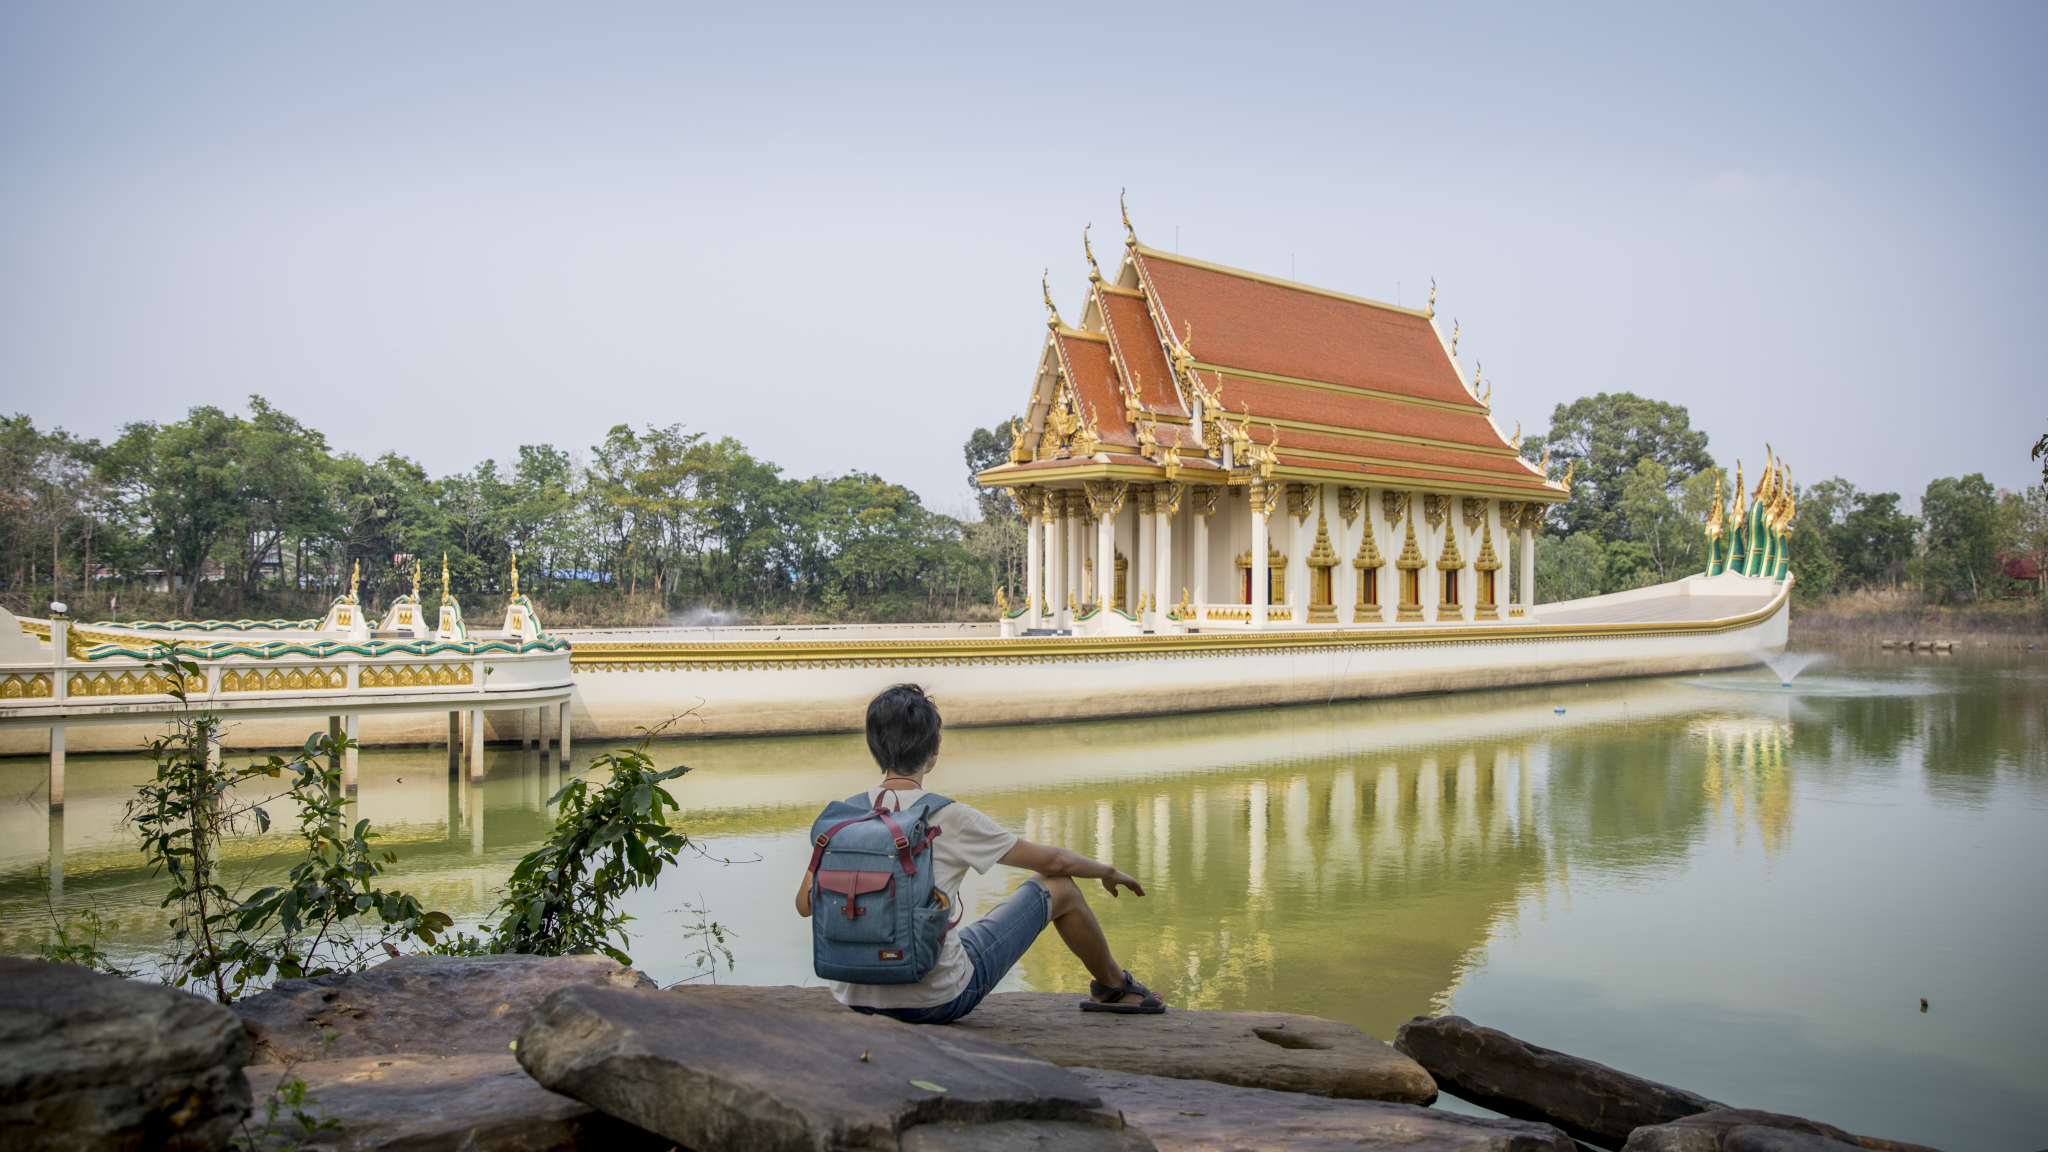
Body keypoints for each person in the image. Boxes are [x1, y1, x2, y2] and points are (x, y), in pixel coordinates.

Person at [795, 683, 1166, 1024]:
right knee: (1060, 888)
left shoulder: (842, 818)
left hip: (853, 997)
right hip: (934, 1000)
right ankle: (1115, 987)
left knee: (963, 932)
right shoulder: (946, 816)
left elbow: (805, 905)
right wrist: (1105, 869)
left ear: (874, 747)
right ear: (936, 746)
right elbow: (1054, 863)